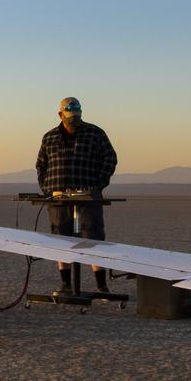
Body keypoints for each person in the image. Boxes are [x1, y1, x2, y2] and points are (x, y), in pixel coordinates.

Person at [34, 97, 117, 295]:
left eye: (77, 118)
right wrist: (47, 188)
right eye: (71, 118)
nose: (74, 121)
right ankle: (66, 284)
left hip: (87, 197)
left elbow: (110, 158)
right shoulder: (49, 137)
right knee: (60, 238)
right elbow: (41, 164)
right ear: (60, 115)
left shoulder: (95, 133)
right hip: (58, 197)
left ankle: (101, 286)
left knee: (93, 237)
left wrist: (97, 185)